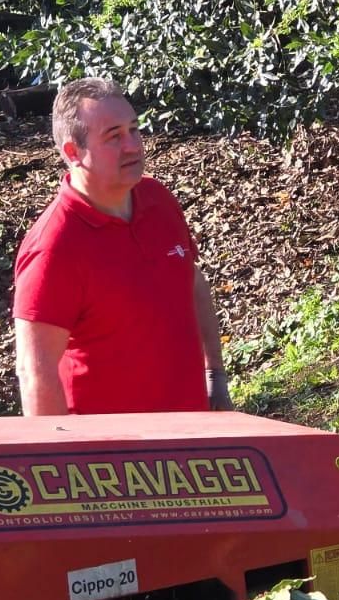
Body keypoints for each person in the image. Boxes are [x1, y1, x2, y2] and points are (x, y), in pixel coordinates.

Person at [12, 76, 233, 415]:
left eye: (134, 129)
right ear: (73, 152)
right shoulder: (54, 247)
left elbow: (191, 281)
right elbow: (35, 374)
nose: (133, 145)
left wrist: (214, 374)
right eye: (114, 137)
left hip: (190, 441)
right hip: (109, 460)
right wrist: (61, 461)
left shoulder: (157, 199)